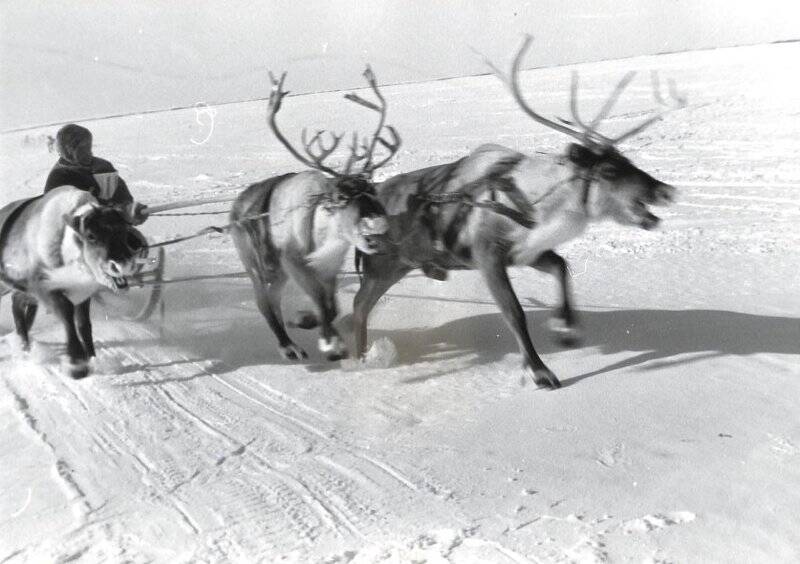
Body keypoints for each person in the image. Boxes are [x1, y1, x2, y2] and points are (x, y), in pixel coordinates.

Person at [44, 123, 148, 224]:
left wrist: (131, 209)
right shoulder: (59, 177)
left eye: (88, 146)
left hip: (116, 229)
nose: (87, 152)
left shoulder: (103, 167)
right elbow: (54, 217)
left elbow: (123, 196)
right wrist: (115, 210)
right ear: (66, 151)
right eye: (80, 148)